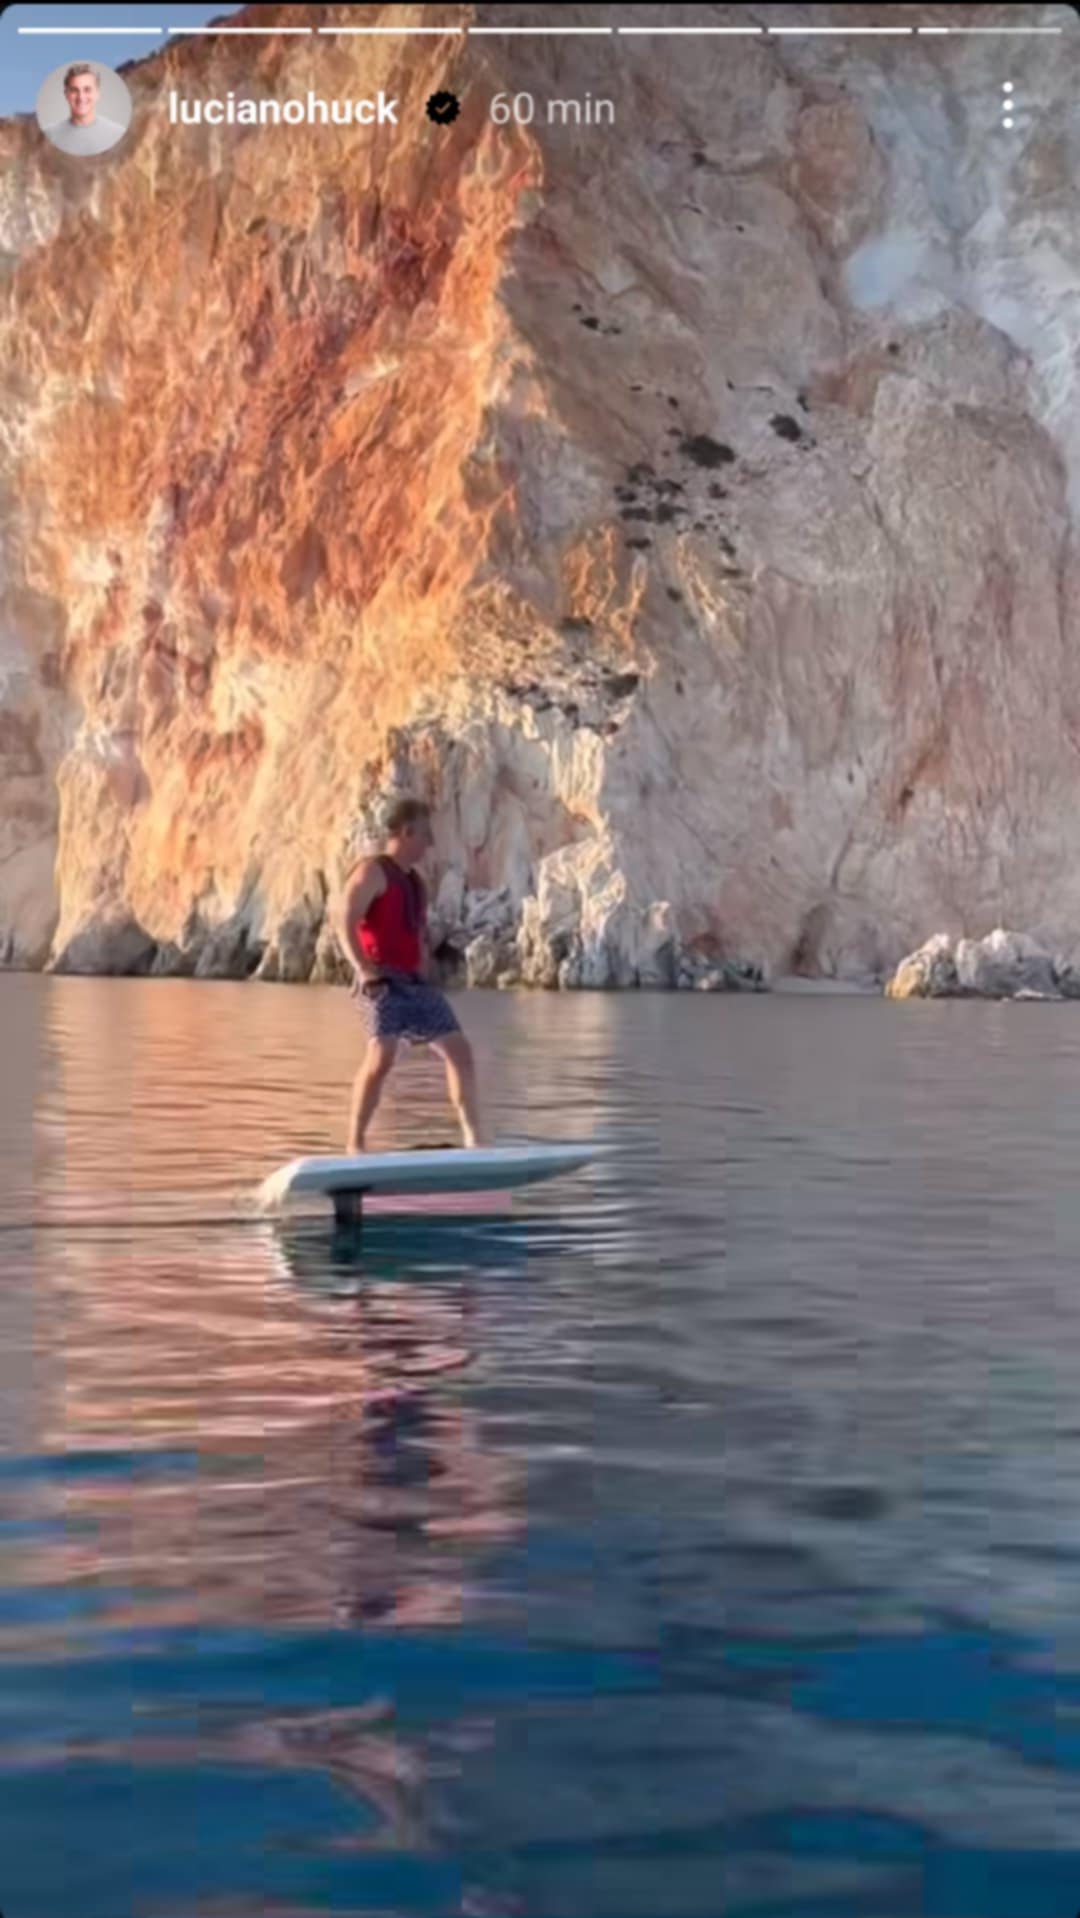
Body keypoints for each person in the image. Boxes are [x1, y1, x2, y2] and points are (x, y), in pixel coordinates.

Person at [337, 798, 485, 1154]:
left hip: (413, 983)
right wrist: (364, 969)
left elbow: (413, 932)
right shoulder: (372, 871)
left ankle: (475, 1141)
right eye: (425, 835)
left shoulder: (416, 883)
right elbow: (342, 922)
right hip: (380, 979)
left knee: (459, 1050)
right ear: (406, 832)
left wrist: (425, 966)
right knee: (382, 1054)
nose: (429, 844)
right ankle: (355, 1144)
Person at [46, 64, 127, 157]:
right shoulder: (51, 137)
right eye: (74, 90)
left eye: (87, 90)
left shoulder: (116, 134)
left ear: (97, 93)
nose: (81, 97)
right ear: (66, 94)